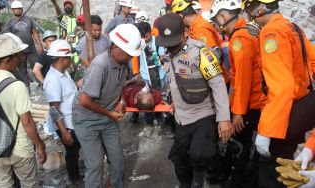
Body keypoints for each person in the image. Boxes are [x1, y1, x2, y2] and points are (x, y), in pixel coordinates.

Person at [154, 13, 233, 188]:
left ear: (185, 33)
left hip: (203, 113)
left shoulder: (201, 52)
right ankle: (186, 183)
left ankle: (198, 181)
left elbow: (218, 84)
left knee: (200, 153)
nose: (171, 47)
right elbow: (175, 81)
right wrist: (175, 101)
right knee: (178, 158)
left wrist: (224, 119)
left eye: (174, 42)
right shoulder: (168, 54)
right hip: (182, 117)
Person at [241, 0, 315, 187]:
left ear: (259, 9)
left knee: (271, 173)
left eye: (249, 9)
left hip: (282, 115)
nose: (249, 14)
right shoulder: (292, 26)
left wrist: (266, 131)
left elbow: (281, 86)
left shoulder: (271, 32)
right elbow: (312, 62)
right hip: (299, 106)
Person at [72, 24, 142, 188]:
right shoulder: (100, 65)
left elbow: (120, 85)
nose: (131, 58)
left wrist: (122, 101)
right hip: (87, 119)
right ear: (116, 48)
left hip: (107, 115)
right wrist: (109, 113)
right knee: (95, 164)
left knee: (117, 159)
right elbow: (85, 101)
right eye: (129, 54)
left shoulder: (123, 63)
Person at [0, 33, 46, 187]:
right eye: (18, 55)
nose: (22, 57)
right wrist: (39, 145)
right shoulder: (16, 86)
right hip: (19, 149)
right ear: (7, 60)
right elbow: (27, 122)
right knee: (29, 183)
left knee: (3, 183)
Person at [210, 0, 262, 187]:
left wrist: (238, 112)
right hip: (254, 100)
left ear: (223, 17)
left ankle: (238, 181)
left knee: (239, 145)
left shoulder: (240, 40)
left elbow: (243, 78)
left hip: (250, 103)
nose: (216, 26)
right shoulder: (249, 29)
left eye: (216, 21)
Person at [43, 40, 82, 186]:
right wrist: (64, 131)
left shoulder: (63, 73)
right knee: (72, 151)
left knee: (75, 149)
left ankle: (75, 175)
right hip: (66, 124)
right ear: (62, 59)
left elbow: (71, 91)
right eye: (69, 57)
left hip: (73, 120)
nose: (71, 60)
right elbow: (54, 109)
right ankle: (74, 177)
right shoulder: (53, 80)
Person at [171, 0, 230, 86]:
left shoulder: (200, 29)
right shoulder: (194, 27)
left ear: (180, 15)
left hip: (216, 83)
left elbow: (213, 58)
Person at [5, 0, 43, 87]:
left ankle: (41, 84)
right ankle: (26, 86)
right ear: (12, 10)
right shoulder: (10, 22)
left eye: (19, 8)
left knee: (36, 67)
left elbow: (34, 32)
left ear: (22, 9)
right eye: (16, 9)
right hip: (18, 51)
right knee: (22, 69)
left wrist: (39, 45)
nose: (18, 10)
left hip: (31, 49)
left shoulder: (28, 19)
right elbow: (8, 36)